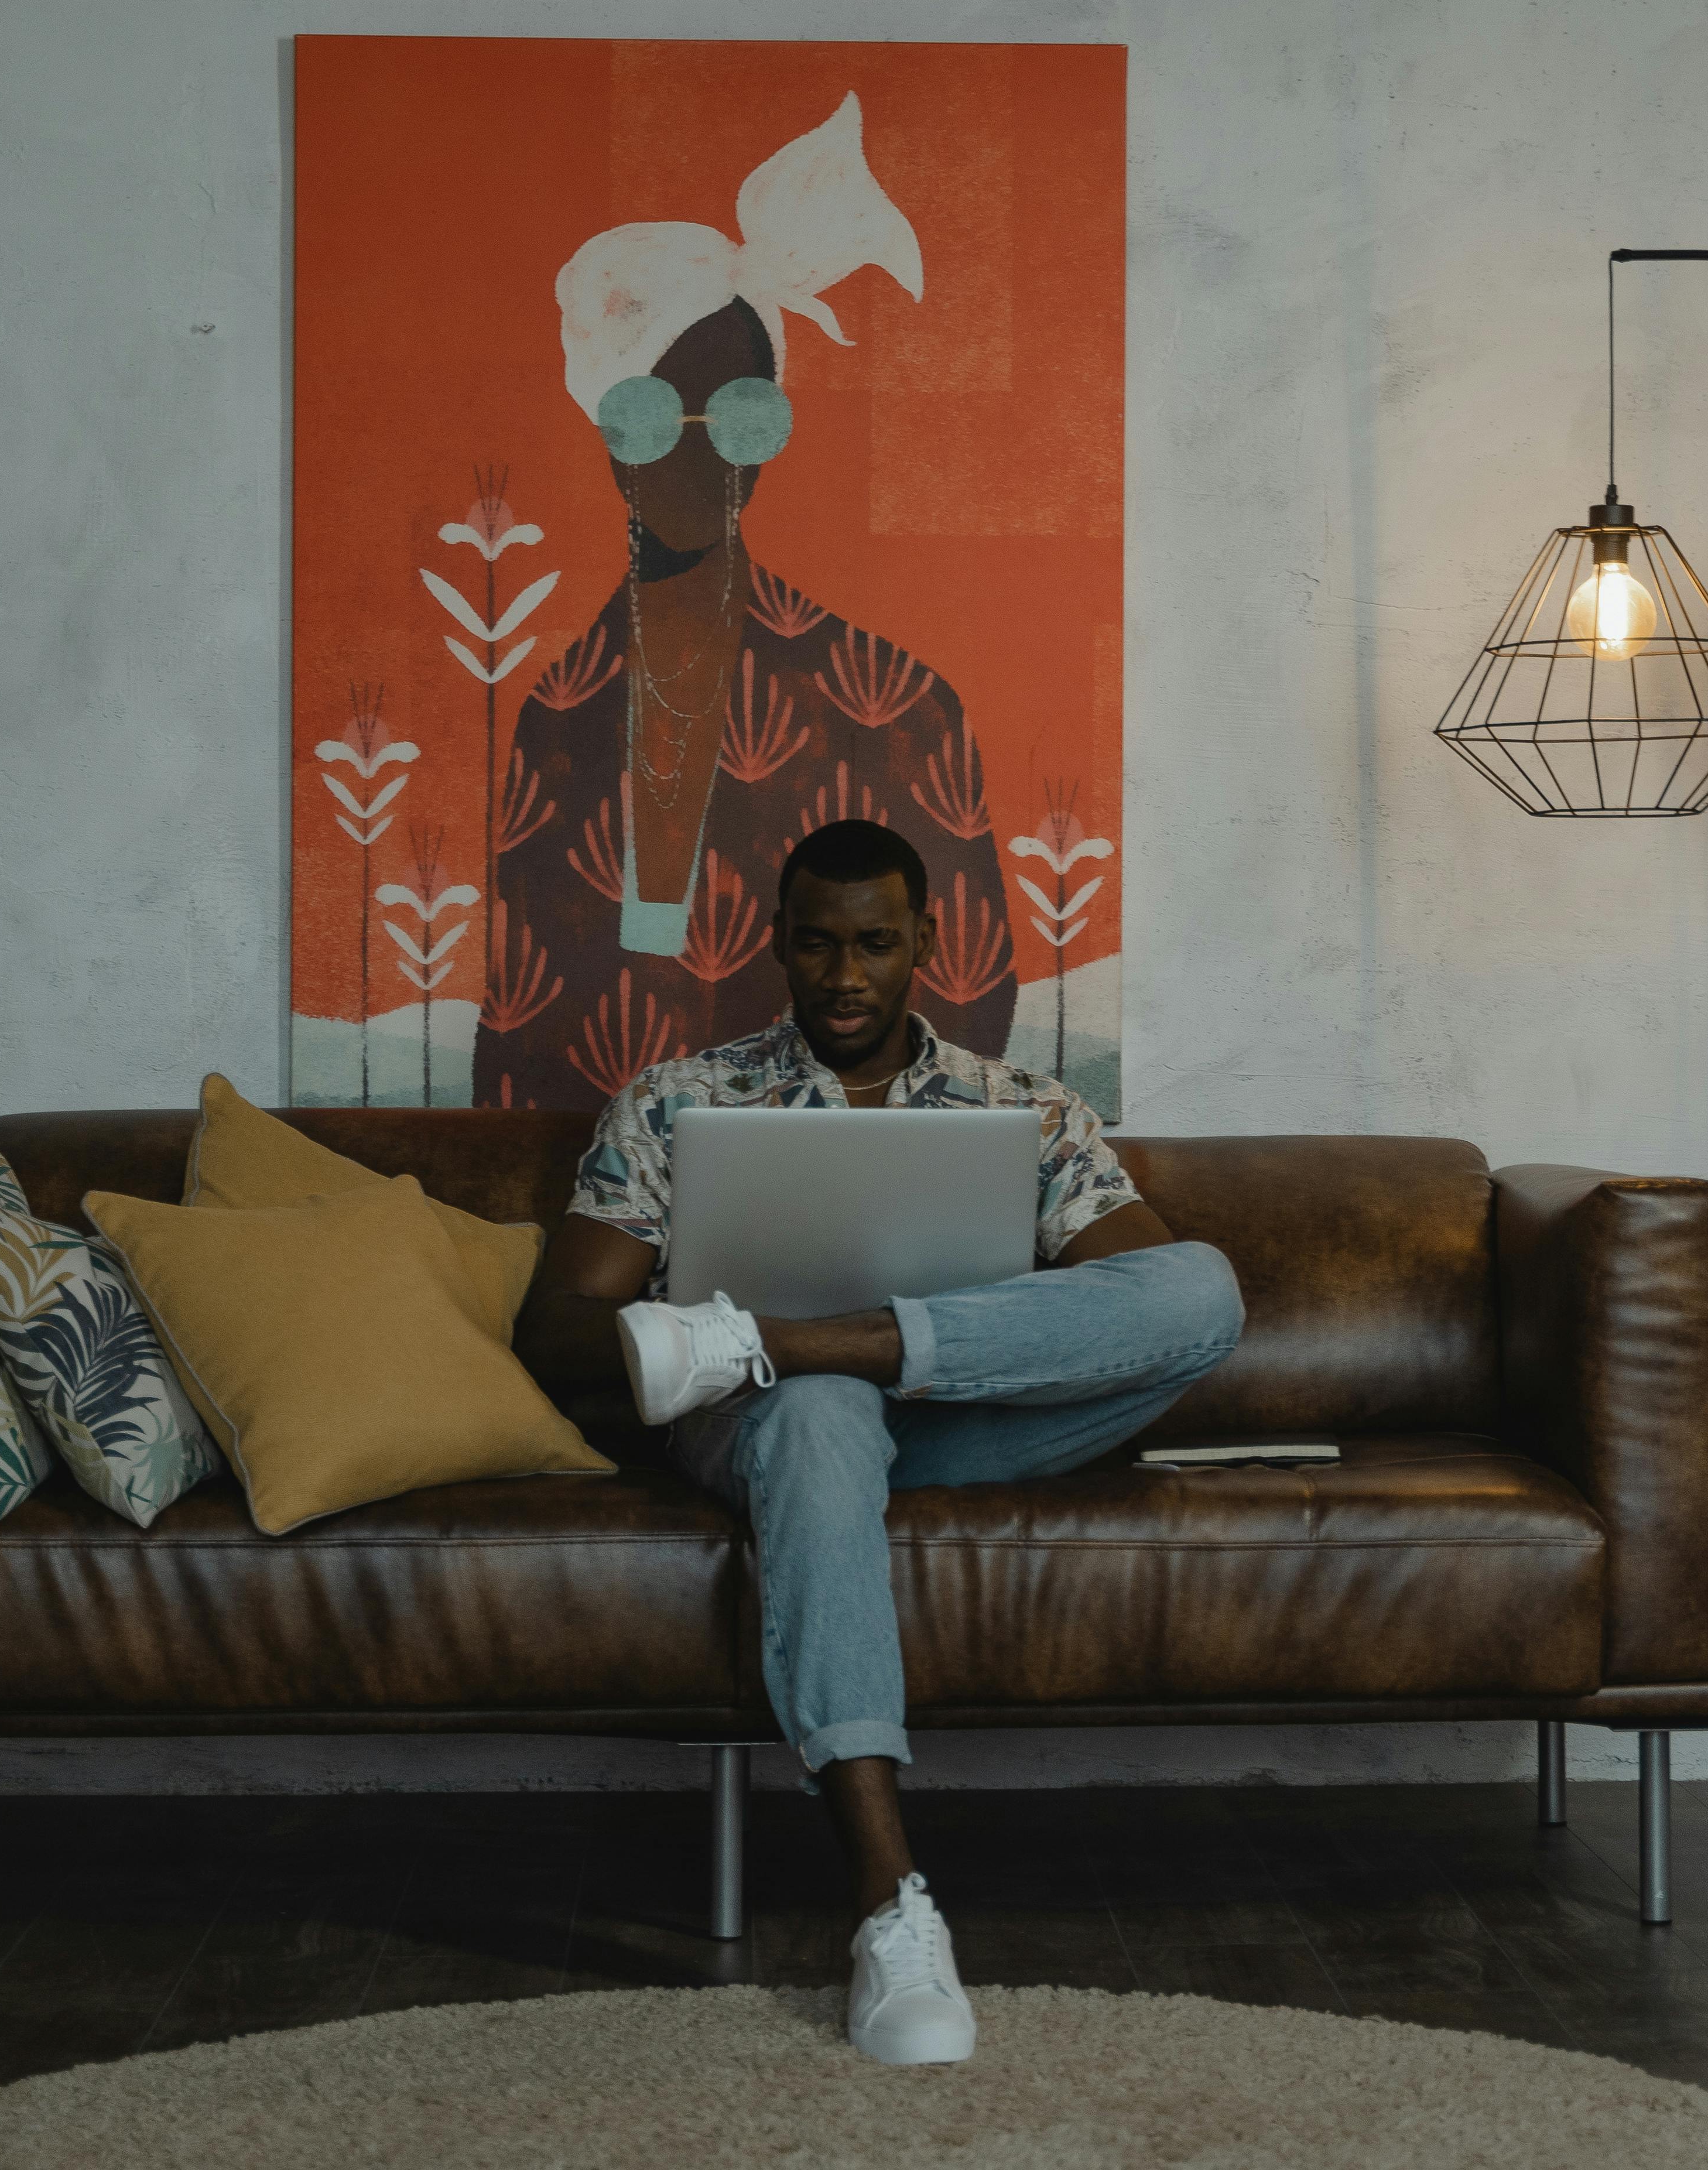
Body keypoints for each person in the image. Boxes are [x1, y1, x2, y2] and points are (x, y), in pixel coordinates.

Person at [514, 818, 1243, 2065]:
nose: (843, 976)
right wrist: (777, 1369)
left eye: (872, 943)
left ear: (925, 941)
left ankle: (794, 1344)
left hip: (965, 1424)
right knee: (817, 1411)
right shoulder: (682, 1099)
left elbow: (1150, 1310)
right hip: (766, 1432)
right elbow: (560, 1329)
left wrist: (787, 1333)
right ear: (774, 944)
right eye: (814, 944)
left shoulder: (1028, 1108)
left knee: (1210, 1287)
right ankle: (890, 1908)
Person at [474, 93, 1021, 1107]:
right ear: (604, 428)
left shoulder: (899, 704)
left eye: (742, 413)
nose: (700, 451)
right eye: (650, 411)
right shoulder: (558, 715)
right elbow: (514, 1033)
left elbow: (972, 1009)